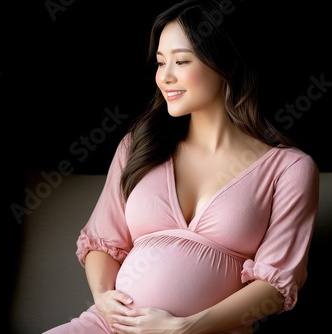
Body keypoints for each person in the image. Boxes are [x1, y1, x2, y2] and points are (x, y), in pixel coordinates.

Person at [43, 0, 320, 333]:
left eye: (182, 61)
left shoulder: (289, 168)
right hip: (107, 327)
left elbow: (277, 286)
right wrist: (103, 298)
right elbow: (102, 241)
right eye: (161, 63)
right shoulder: (139, 145)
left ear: (226, 64)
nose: (165, 77)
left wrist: (185, 327)